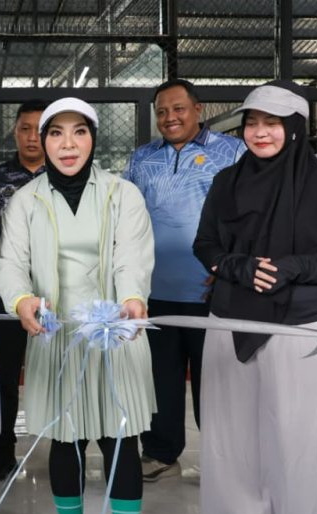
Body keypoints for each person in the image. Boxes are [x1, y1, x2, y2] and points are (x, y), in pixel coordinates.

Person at [193, 81, 317, 514]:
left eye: (272, 123)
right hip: (230, 322)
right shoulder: (226, 182)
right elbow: (205, 243)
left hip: (301, 330)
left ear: (295, 128)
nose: (260, 132)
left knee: (296, 441)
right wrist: (238, 266)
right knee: (234, 443)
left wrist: (291, 268)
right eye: (252, 123)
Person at [0, 97, 156, 514]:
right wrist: (21, 300)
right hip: (55, 334)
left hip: (115, 333)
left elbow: (132, 256)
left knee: (121, 439)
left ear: (93, 139)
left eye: (79, 132)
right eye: (56, 133)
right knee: (65, 439)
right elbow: (10, 262)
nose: (68, 144)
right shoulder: (25, 200)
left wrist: (132, 299)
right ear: (42, 141)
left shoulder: (123, 194)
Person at [123, 79, 244, 482]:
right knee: (160, 379)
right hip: (154, 291)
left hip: (212, 290)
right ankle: (160, 451)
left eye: (178, 109)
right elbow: (125, 217)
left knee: (216, 381)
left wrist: (229, 269)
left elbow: (248, 216)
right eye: (162, 111)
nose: (169, 118)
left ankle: (223, 457)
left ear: (198, 109)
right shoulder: (142, 158)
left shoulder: (233, 153)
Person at [0, 98, 48, 481]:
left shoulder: (66, 175)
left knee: (59, 373)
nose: (32, 137)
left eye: (41, 129)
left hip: (56, 295)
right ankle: (2, 450)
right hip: (5, 295)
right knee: (3, 376)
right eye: (25, 128)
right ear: (15, 131)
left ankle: (66, 447)